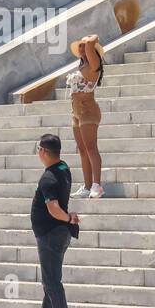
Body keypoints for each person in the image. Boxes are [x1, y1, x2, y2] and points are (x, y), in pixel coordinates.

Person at [25, 134, 80, 308]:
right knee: (50, 279)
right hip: (58, 233)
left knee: (52, 282)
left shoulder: (48, 178)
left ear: (43, 152)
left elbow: (54, 208)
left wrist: (68, 218)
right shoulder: (63, 168)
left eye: (38, 149)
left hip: (51, 234)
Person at [67, 34, 105, 199]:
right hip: (76, 112)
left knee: (91, 147)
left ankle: (97, 185)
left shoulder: (94, 65)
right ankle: (87, 186)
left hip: (88, 110)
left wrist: (90, 41)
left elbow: (91, 42)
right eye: (80, 46)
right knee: (82, 150)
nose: (82, 48)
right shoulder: (82, 65)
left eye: (84, 46)